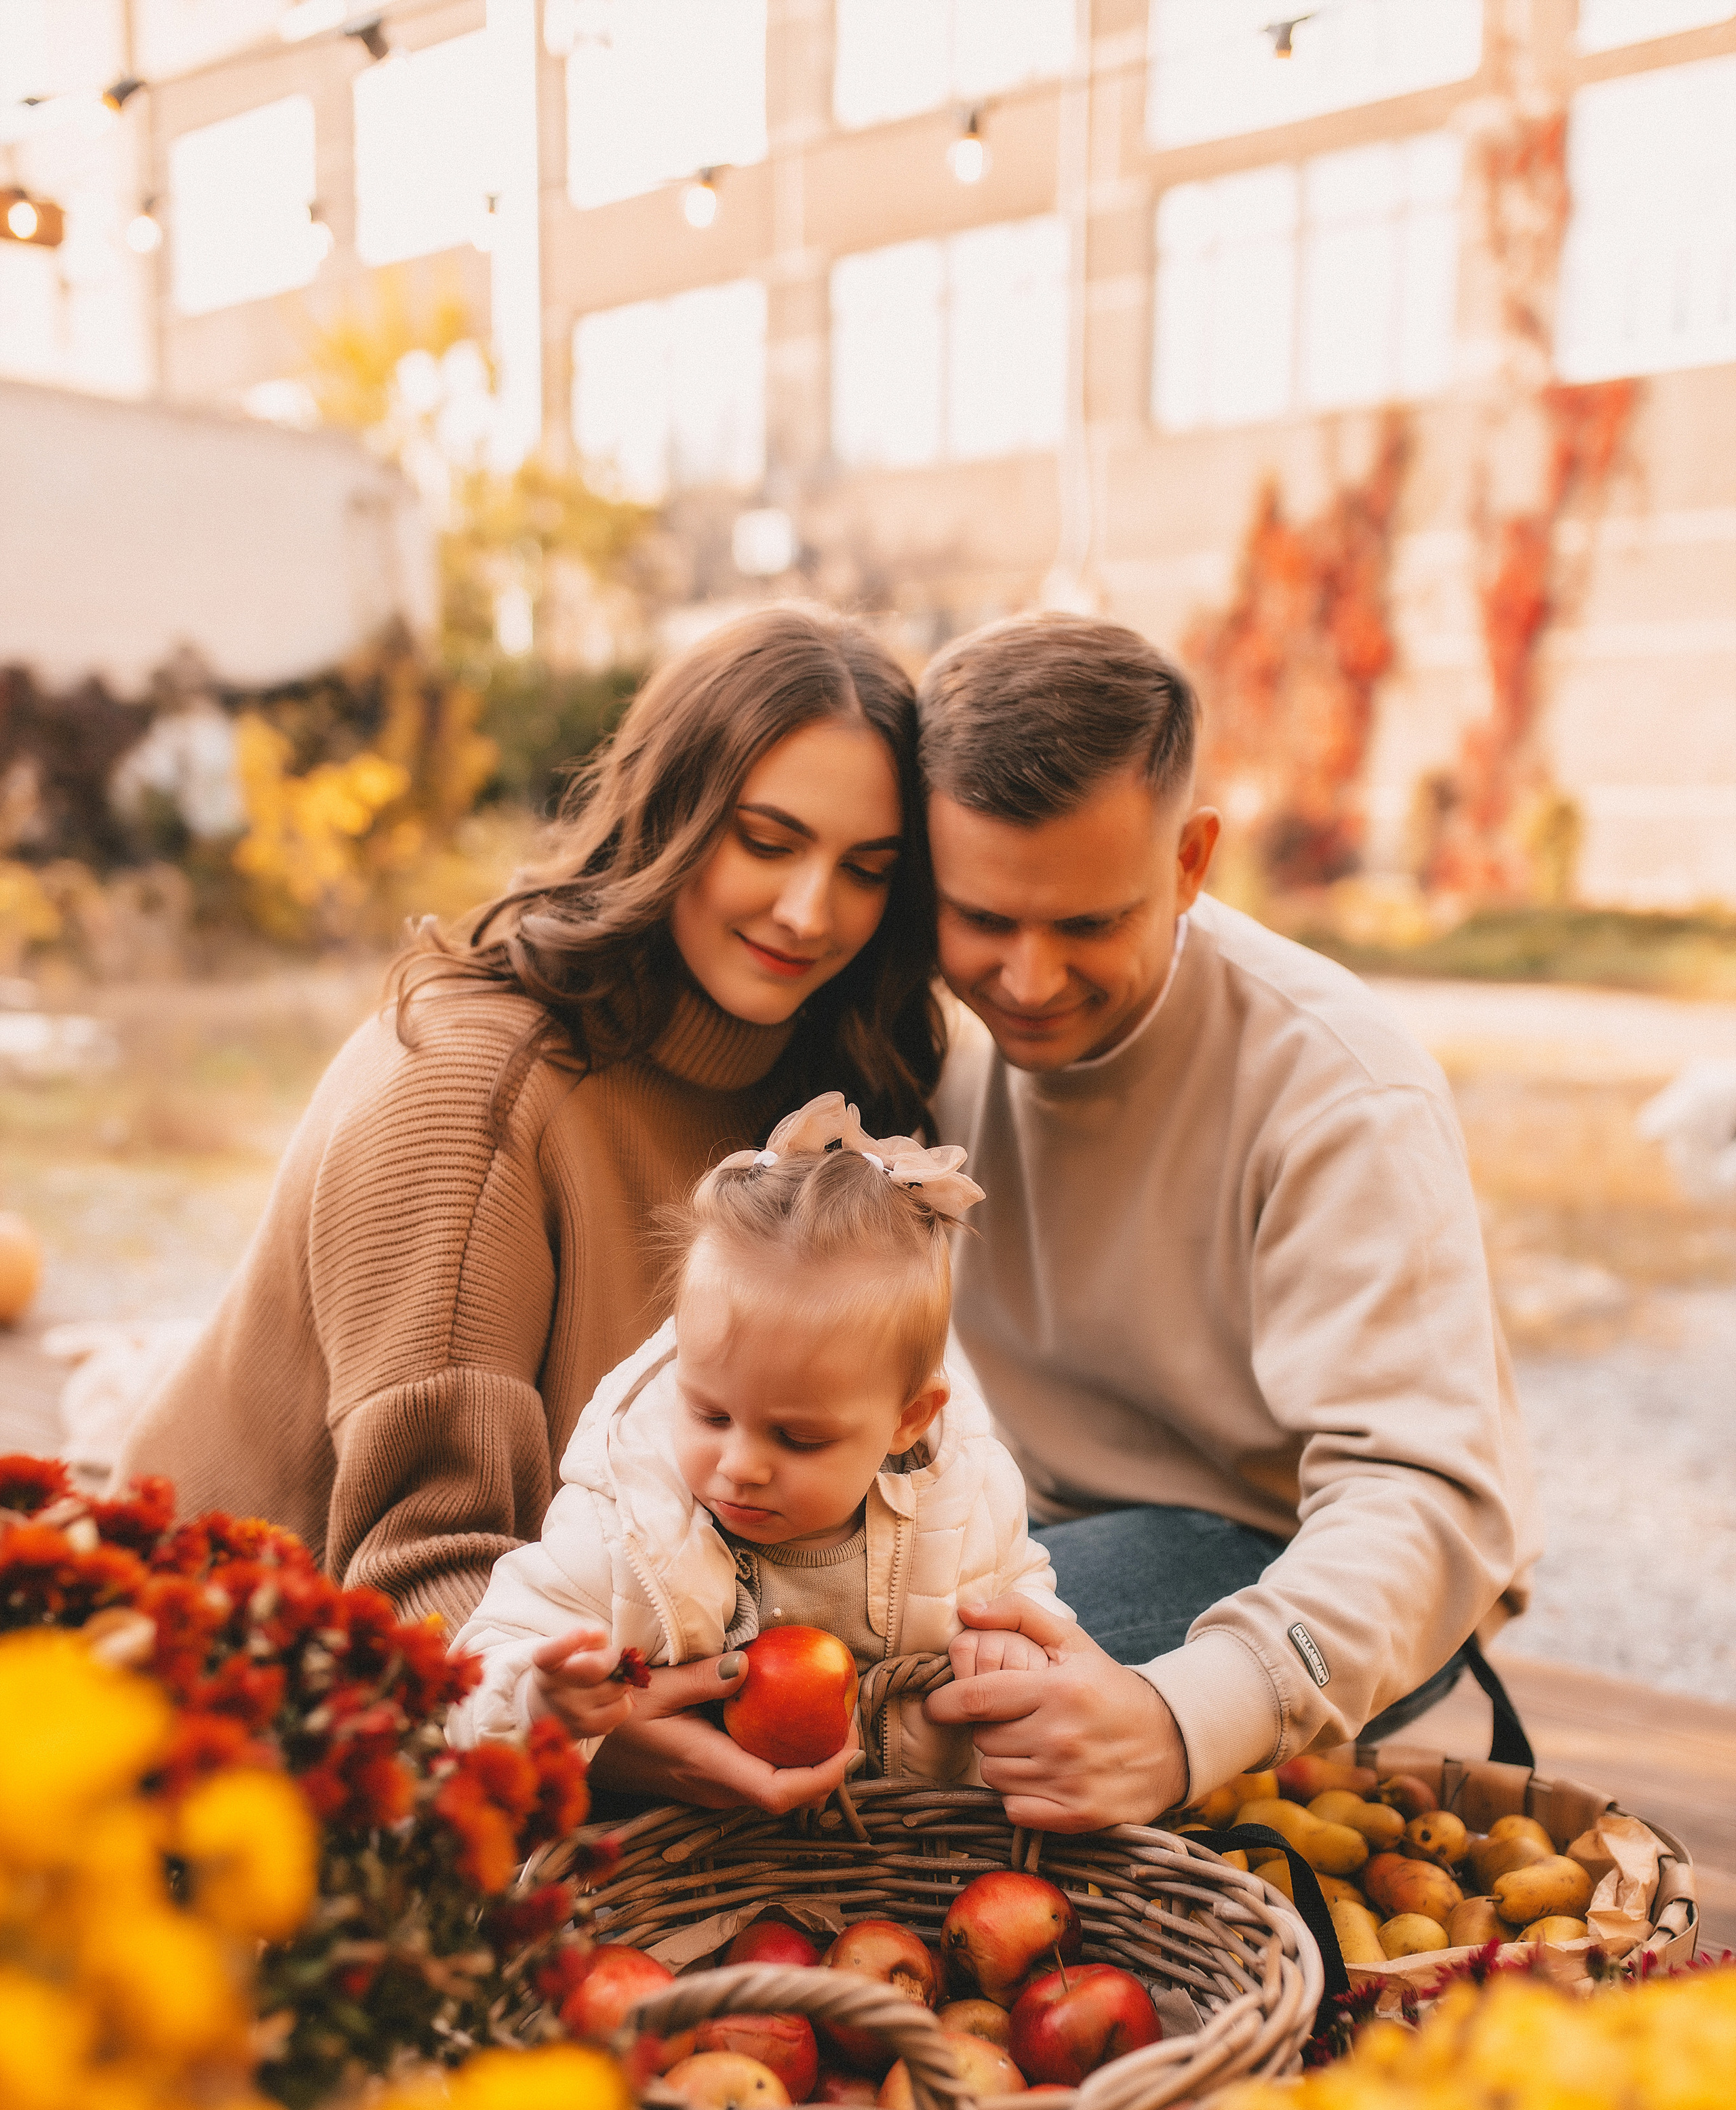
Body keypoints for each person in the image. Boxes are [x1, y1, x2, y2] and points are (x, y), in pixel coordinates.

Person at [121, 606, 945, 1816]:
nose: (811, 912)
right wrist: (608, 1747)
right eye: (767, 841)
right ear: (669, 816)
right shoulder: (475, 1093)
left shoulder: (816, 1097)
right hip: (268, 1708)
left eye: (867, 870)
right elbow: (419, 1578)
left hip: (615, 1670)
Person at [918, 613, 1539, 1833]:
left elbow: (1425, 1499)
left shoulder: (1339, 1087)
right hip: (1049, 1524)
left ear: (1192, 861)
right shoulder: (922, 1026)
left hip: (1304, 1563)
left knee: (913, 1709)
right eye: (984, 919)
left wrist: (1185, 1716)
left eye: (1092, 923)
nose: (1029, 982)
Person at [448, 1092, 1067, 1793]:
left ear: (910, 1417)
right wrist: (537, 1701)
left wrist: (1016, 1652)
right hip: (686, 1873)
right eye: (710, 1415)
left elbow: (1026, 1594)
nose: (738, 1467)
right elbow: (473, 1676)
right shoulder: (625, 1530)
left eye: (797, 1438)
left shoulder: (967, 1504)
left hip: (908, 1868)